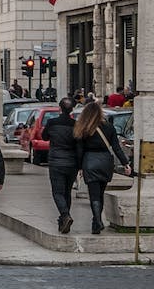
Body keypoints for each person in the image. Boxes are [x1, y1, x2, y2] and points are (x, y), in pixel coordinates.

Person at [74, 102, 131, 235]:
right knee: (100, 193)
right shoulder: (109, 127)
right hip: (105, 162)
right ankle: (96, 221)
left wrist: (79, 167)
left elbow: (79, 150)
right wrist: (125, 163)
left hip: (90, 161)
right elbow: (116, 147)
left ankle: (97, 221)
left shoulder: (83, 128)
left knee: (93, 194)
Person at [43, 97, 80, 233]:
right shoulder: (75, 124)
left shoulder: (52, 123)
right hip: (71, 162)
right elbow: (79, 144)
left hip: (56, 161)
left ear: (60, 108)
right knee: (67, 192)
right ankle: (64, 220)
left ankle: (65, 215)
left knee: (57, 192)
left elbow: (44, 137)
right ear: (72, 110)